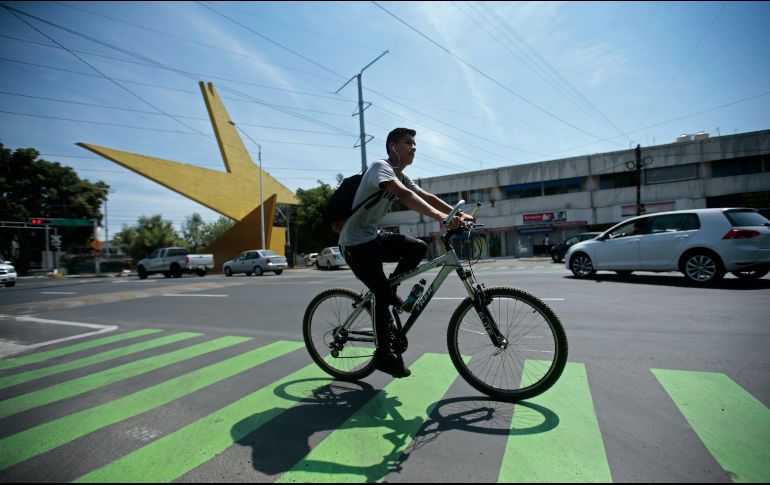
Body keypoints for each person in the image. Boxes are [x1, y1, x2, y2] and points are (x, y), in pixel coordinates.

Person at [339, 128, 474, 378]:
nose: (414, 148)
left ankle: (391, 291)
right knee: (381, 294)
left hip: (372, 236)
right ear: (393, 147)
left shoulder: (401, 174)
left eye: (414, 144)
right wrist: (441, 218)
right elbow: (404, 195)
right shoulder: (381, 167)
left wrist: (458, 213)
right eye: (408, 143)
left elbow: (426, 195)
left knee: (418, 248)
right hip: (355, 242)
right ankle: (383, 355)